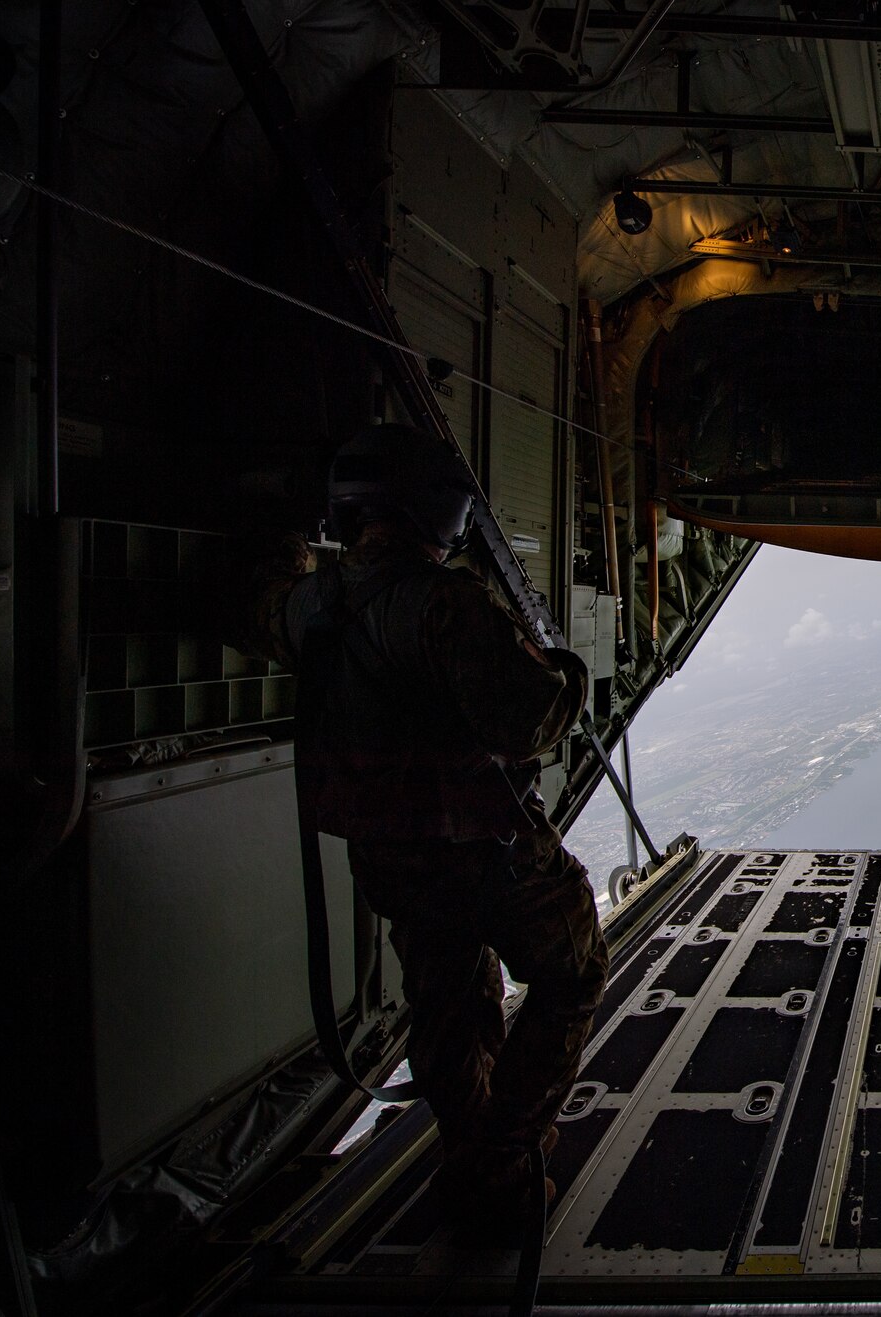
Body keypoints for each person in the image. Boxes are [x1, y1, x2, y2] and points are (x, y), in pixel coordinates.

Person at [229, 424, 608, 1242]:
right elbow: (530, 715)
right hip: (484, 848)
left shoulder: (313, 606)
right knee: (573, 967)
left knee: (447, 1003)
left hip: (394, 859)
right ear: (438, 510)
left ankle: (472, 1154)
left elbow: (259, 602)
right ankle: (503, 1155)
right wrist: (568, 672)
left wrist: (291, 536)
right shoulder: (442, 604)